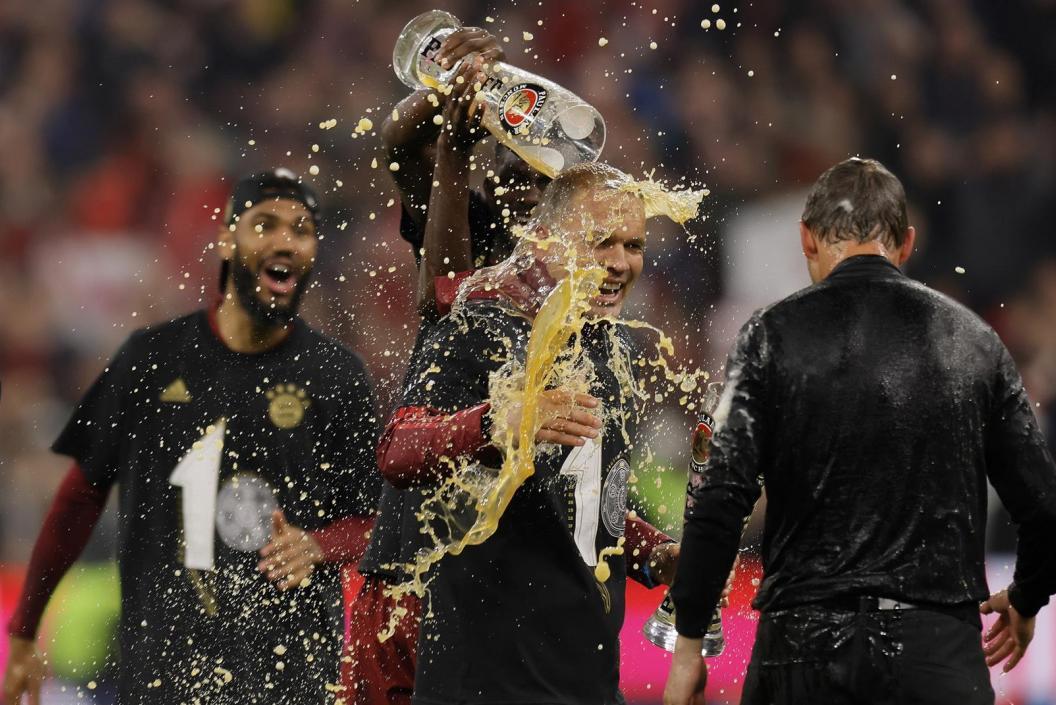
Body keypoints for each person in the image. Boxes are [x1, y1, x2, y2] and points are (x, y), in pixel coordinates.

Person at [663, 157, 1056, 705]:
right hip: (935, 657)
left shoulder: (770, 336)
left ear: (807, 240)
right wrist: (1027, 597)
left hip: (801, 653)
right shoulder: (973, 342)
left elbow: (720, 498)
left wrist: (690, 643)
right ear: (905, 244)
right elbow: (1050, 513)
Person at [2, 169, 380, 705]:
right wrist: (23, 630)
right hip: (164, 680)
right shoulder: (151, 359)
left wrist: (320, 544)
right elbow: (79, 498)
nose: (285, 242)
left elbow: (381, 525)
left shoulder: (338, 377)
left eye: (301, 229)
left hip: (290, 682)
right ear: (227, 239)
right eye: (265, 224)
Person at [376, 162, 679, 705]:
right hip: (483, 684)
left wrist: (659, 554)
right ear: (545, 239)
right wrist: (499, 420)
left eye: (633, 245)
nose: (618, 263)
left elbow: (587, 508)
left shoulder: (614, 350)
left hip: (588, 684)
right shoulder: (481, 325)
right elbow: (397, 450)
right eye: (599, 241)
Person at [337, 25, 554, 705]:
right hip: (413, 565)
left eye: (539, 177)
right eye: (511, 168)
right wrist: (460, 86)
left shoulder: (593, 282)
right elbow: (402, 145)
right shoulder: (470, 232)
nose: (522, 185)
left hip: (509, 578)